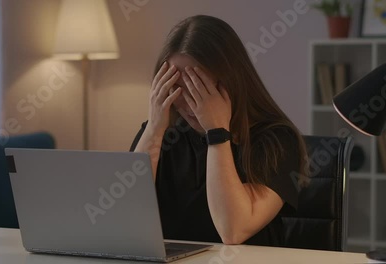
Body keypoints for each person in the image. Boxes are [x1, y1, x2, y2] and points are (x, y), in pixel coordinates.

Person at [129, 15, 309, 246]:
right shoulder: (161, 134)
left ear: (232, 81)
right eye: (177, 88)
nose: (190, 102)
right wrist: (153, 130)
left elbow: (233, 231)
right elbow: (125, 222)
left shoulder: (276, 140)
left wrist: (217, 132)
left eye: (201, 87)